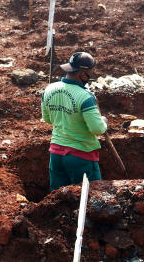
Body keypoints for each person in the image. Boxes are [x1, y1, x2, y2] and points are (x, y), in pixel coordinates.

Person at [41, 51, 108, 191]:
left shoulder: (49, 89)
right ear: (82, 75)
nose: (91, 76)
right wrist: (104, 121)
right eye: (90, 72)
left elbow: (47, 119)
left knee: (59, 200)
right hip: (81, 156)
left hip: (56, 155)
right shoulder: (85, 97)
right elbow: (97, 129)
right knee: (90, 198)